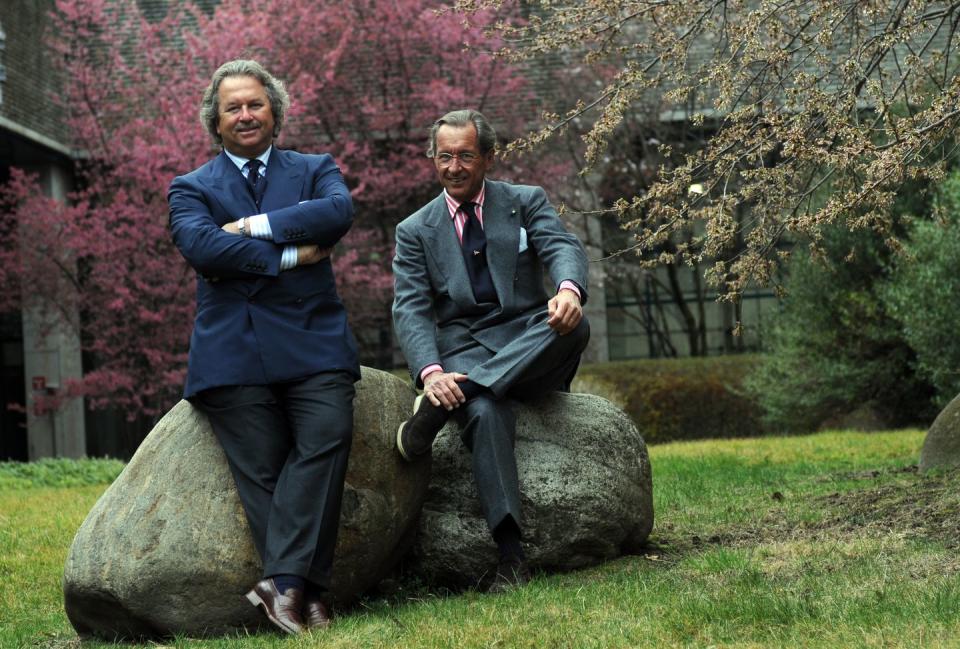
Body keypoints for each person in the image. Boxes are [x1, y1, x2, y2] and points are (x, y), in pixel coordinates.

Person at [168, 59, 359, 635]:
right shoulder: (191, 187)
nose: (246, 115)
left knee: (328, 438)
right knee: (265, 473)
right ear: (216, 121)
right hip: (233, 351)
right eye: (234, 107)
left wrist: (249, 229)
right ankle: (311, 594)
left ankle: (283, 587)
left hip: (314, 342)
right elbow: (202, 249)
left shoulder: (314, 168)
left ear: (275, 110)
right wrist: (291, 254)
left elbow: (336, 213)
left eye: (255, 103)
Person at [392, 109, 590, 592]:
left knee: (573, 327)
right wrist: (431, 372)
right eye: (444, 157)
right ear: (432, 159)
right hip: (463, 351)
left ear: (488, 157)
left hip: (529, 340)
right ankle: (510, 554)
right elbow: (411, 309)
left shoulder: (524, 202)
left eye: (465, 156)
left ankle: (442, 407)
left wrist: (567, 290)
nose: (454, 167)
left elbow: (561, 245)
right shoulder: (415, 230)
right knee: (481, 409)